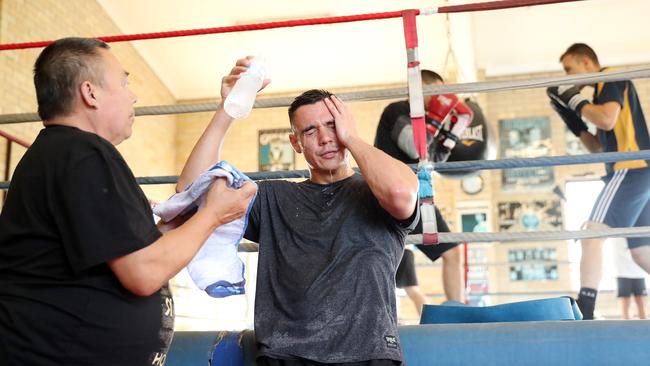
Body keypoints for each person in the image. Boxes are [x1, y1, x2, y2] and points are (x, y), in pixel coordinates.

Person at [0, 37, 256, 365]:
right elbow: (143, 273)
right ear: (90, 93)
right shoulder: (82, 154)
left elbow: (133, 256)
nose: (133, 95)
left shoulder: (63, 155)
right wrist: (213, 216)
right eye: (123, 82)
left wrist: (181, 223)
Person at [177, 81, 419, 364]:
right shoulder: (273, 197)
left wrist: (352, 139)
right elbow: (192, 190)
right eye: (310, 130)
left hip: (368, 355)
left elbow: (401, 193)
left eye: (332, 125)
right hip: (284, 356)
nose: (326, 138)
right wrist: (228, 108)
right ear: (296, 143)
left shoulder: (377, 193)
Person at [547, 43, 650, 319]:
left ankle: (586, 311)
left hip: (631, 169)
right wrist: (573, 118)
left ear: (586, 62)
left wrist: (576, 101)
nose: (568, 76)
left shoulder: (610, 77)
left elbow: (606, 120)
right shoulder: (599, 97)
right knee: (642, 252)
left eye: (569, 69)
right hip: (640, 174)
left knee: (592, 234)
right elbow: (597, 147)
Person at [373, 69, 465, 309]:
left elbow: (433, 160)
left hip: (416, 196)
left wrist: (453, 132)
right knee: (379, 262)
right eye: (435, 91)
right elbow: (415, 149)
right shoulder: (397, 111)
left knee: (452, 252)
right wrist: (436, 118)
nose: (440, 99)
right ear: (418, 88)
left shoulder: (427, 120)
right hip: (391, 192)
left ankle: (455, 312)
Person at [612, 238, 647, 319]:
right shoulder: (617, 235)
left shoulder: (638, 235)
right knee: (625, 302)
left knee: (641, 302)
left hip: (639, 273)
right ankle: (625, 326)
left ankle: (644, 326)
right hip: (623, 273)